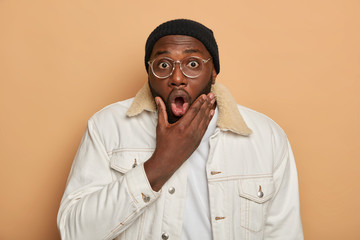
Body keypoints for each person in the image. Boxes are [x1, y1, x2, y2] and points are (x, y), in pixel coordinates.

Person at [57, 19, 303, 240]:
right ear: (149, 73)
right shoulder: (108, 127)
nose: (177, 77)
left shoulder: (265, 137)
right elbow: (73, 232)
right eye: (163, 64)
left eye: (193, 63)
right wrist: (160, 164)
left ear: (213, 72)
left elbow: (284, 233)